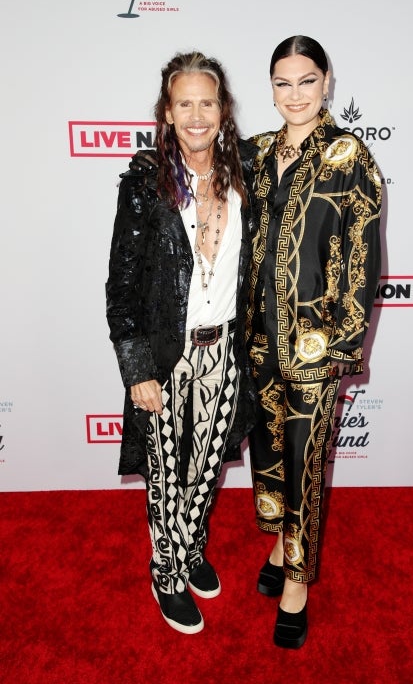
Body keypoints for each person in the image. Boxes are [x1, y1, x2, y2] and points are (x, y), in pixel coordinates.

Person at [106, 51, 257, 635]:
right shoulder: (146, 184)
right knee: (166, 475)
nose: (197, 116)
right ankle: (165, 570)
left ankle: (190, 549)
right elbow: (122, 286)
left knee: (204, 467)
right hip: (167, 356)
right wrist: (136, 368)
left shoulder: (246, 177)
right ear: (167, 113)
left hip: (225, 353)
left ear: (223, 110)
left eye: (207, 103)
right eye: (184, 103)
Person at [246, 35, 382, 649]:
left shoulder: (350, 157)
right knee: (271, 455)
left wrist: (341, 345)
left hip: (314, 345)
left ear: (326, 82)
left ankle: (297, 584)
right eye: (283, 83)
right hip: (256, 339)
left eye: (306, 81)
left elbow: (363, 261)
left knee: (303, 465)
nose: (295, 94)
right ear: (271, 88)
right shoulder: (255, 153)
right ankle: (281, 545)